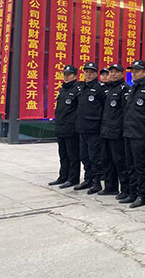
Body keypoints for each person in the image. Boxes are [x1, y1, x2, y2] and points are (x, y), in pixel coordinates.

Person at [121, 60, 145, 207]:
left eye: (137, 71)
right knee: (130, 165)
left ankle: (143, 196)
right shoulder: (132, 89)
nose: (133, 74)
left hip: (142, 134)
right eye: (132, 71)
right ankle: (133, 193)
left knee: (142, 166)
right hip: (129, 133)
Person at [73, 62, 106, 194]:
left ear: (95, 74)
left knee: (95, 157)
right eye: (86, 72)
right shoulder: (81, 87)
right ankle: (88, 179)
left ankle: (97, 182)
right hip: (82, 128)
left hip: (94, 129)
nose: (88, 74)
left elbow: (104, 108)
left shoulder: (99, 88)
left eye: (91, 72)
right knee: (84, 156)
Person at [99, 64, 129, 197]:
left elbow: (126, 112)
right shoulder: (110, 89)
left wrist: (122, 130)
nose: (113, 74)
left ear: (122, 74)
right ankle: (110, 187)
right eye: (111, 72)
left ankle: (125, 189)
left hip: (117, 133)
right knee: (106, 160)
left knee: (120, 162)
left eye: (116, 72)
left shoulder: (124, 89)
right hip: (106, 131)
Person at [50, 65, 82, 189]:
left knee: (73, 155)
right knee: (63, 155)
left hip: (71, 128)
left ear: (75, 75)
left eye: (69, 74)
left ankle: (73, 179)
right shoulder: (62, 90)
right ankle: (63, 176)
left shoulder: (78, 89)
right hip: (61, 127)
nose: (66, 77)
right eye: (64, 74)